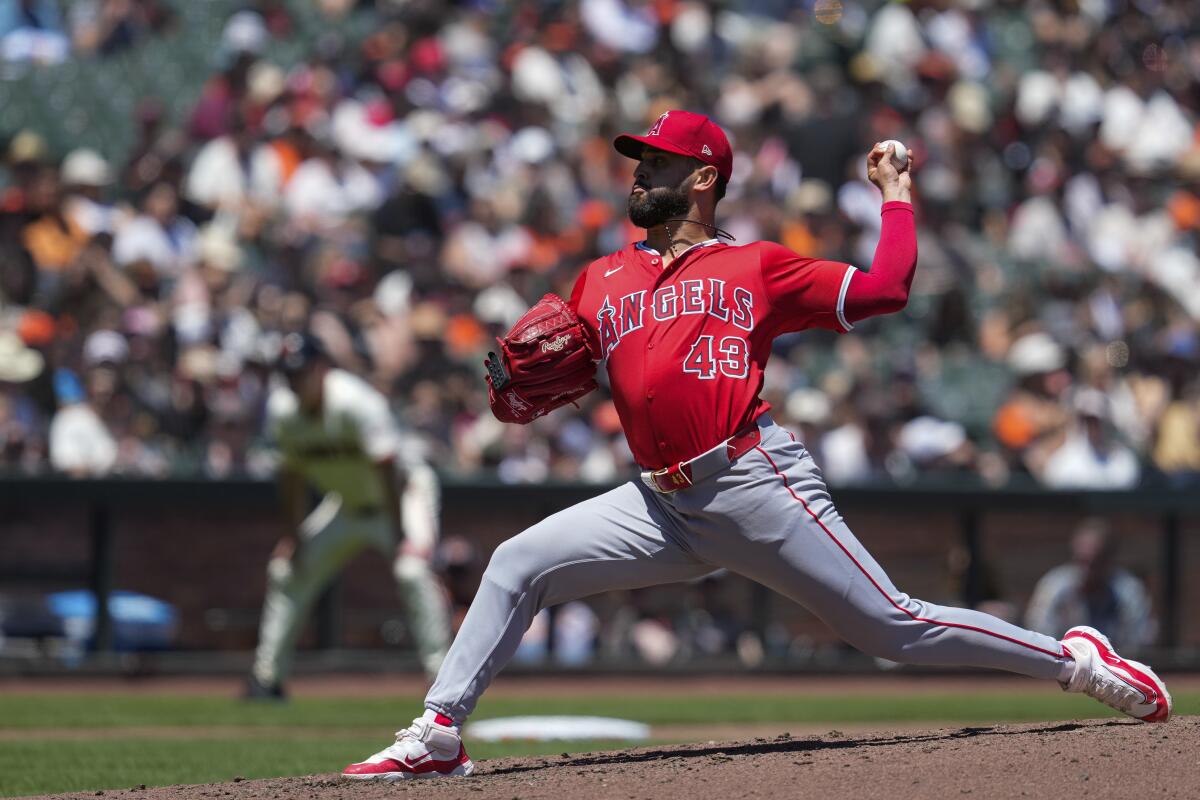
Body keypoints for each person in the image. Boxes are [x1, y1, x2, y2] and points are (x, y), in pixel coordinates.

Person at [342, 111, 1172, 781]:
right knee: (517, 562)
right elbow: (560, 374)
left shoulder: (755, 267)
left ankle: (1075, 661)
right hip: (658, 502)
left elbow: (885, 290)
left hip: (749, 477)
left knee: (893, 628)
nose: (641, 173)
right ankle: (439, 732)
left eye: (659, 163)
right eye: (640, 160)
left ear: (703, 179)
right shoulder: (600, 279)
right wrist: (521, 388)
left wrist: (896, 196)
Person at [245, 332, 451, 699]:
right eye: (289, 375)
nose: (295, 382)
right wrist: (295, 536)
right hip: (347, 504)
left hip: (403, 497)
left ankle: (444, 679)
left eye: (302, 372)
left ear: (321, 369)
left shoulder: (355, 401)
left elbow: (387, 469)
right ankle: (266, 679)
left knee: (412, 570)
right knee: (286, 569)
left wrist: (399, 533)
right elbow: (290, 479)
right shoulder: (282, 410)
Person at [1025, 519, 1155, 653]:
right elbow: (1040, 636)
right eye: (1081, 561)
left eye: (1094, 563)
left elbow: (1139, 642)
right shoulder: (1053, 587)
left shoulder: (1128, 591)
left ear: (1109, 559)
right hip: (1064, 666)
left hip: (1114, 667)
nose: (1086, 571)